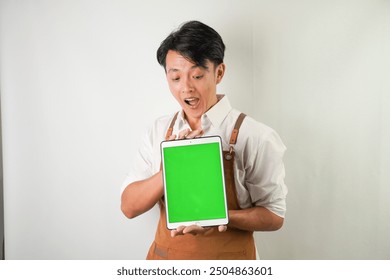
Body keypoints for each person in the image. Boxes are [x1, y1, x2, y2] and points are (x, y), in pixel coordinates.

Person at [121, 20, 287, 260]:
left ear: (219, 72)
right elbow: (129, 207)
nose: (186, 88)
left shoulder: (256, 135)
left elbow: (274, 216)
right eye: (175, 78)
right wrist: (171, 167)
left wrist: (220, 217)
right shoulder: (157, 132)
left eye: (197, 75)